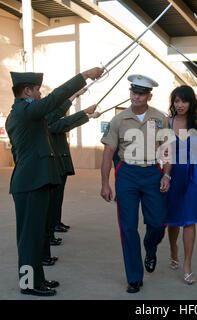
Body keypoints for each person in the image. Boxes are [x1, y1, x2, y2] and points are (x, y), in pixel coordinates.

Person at [6, 67, 103, 296]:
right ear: (27, 91)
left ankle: (37, 280)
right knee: (29, 238)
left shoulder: (29, 113)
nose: (40, 94)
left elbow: (55, 111)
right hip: (30, 183)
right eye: (37, 90)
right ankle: (29, 284)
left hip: (34, 182)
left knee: (35, 235)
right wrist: (83, 76)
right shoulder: (24, 111)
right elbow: (54, 100)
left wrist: (80, 102)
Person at [100, 74, 171, 294]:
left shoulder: (160, 118)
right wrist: (105, 183)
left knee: (158, 223)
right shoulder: (119, 120)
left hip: (152, 172)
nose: (136, 96)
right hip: (127, 174)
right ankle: (134, 277)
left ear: (149, 95)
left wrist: (166, 175)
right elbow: (109, 151)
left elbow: (168, 150)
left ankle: (150, 248)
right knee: (128, 227)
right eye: (133, 92)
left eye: (141, 93)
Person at [42, 97, 100, 266]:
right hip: (52, 167)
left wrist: (86, 113)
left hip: (60, 165)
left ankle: (54, 227)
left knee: (56, 200)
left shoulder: (50, 121)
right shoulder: (47, 122)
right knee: (50, 205)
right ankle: (50, 235)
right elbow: (65, 123)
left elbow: (64, 120)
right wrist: (86, 114)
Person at [165, 85, 197, 285]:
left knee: (190, 219)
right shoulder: (167, 122)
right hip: (172, 173)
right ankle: (173, 248)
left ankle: (187, 264)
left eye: (184, 101)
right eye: (176, 101)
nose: (179, 105)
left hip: (193, 175)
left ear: (191, 102)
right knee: (172, 219)